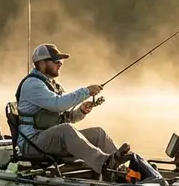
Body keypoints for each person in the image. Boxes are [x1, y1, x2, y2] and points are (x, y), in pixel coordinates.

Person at [14, 43, 131, 178]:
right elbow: (58, 104)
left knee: (98, 134)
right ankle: (105, 165)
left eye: (61, 61)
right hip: (32, 144)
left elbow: (65, 117)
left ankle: (121, 169)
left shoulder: (54, 85)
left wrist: (80, 111)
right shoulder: (33, 84)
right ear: (41, 64)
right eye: (56, 61)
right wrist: (86, 91)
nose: (60, 64)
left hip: (50, 141)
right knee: (66, 130)